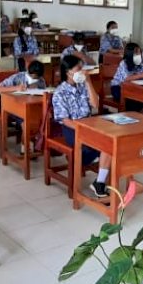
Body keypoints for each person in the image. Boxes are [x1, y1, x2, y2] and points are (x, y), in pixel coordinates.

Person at [53, 55, 113, 199]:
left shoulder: (82, 86)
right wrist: (84, 129)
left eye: (82, 68)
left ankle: (99, 182)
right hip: (72, 129)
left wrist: (89, 82)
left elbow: (95, 104)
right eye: (78, 69)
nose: (82, 71)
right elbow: (65, 120)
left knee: (111, 143)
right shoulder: (60, 92)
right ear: (68, 72)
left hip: (89, 124)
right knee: (105, 145)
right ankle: (99, 181)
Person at [110, 42, 143, 108]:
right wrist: (142, 75)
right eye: (137, 53)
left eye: (140, 53)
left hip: (133, 89)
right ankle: (133, 115)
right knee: (135, 100)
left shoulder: (140, 64)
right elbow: (125, 79)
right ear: (130, 54)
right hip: (118, 88)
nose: (139, 55)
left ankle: (141, 115)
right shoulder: (123, 63)